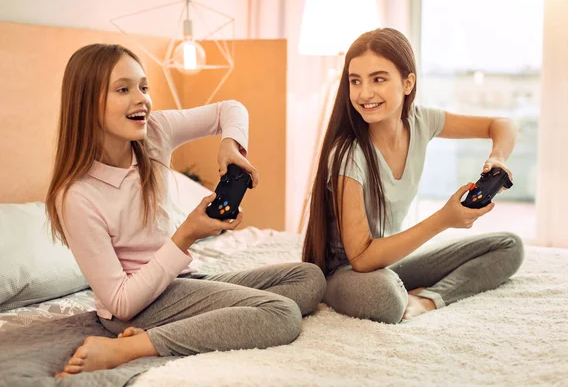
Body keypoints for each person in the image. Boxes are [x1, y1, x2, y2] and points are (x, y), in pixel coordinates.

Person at [46, 43, 326, 377]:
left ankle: (195, 322)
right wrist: (187, 234)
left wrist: (230, 145)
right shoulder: (77, 196)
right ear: (86, 104)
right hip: (135, 309)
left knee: (308, 278)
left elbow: (230, 109)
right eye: (124, 89)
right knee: (281, 314)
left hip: (179, 283)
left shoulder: (155, 132)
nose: (142, 99)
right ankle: (130, 346)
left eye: (144, 87)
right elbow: (121, 302)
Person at [302, 28, 524, 324]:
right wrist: (444, 219)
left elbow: (501, 124)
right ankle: (403, 292)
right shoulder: (348, 154)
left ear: (408, 83)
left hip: (390, 261)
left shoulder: (421, 121)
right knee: (385, 299)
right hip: (347, 273)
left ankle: (426, 299)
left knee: (509, 246)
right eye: (355, 81)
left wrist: (496, 157)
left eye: (378, 79)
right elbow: (362, 258)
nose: (364, 93)